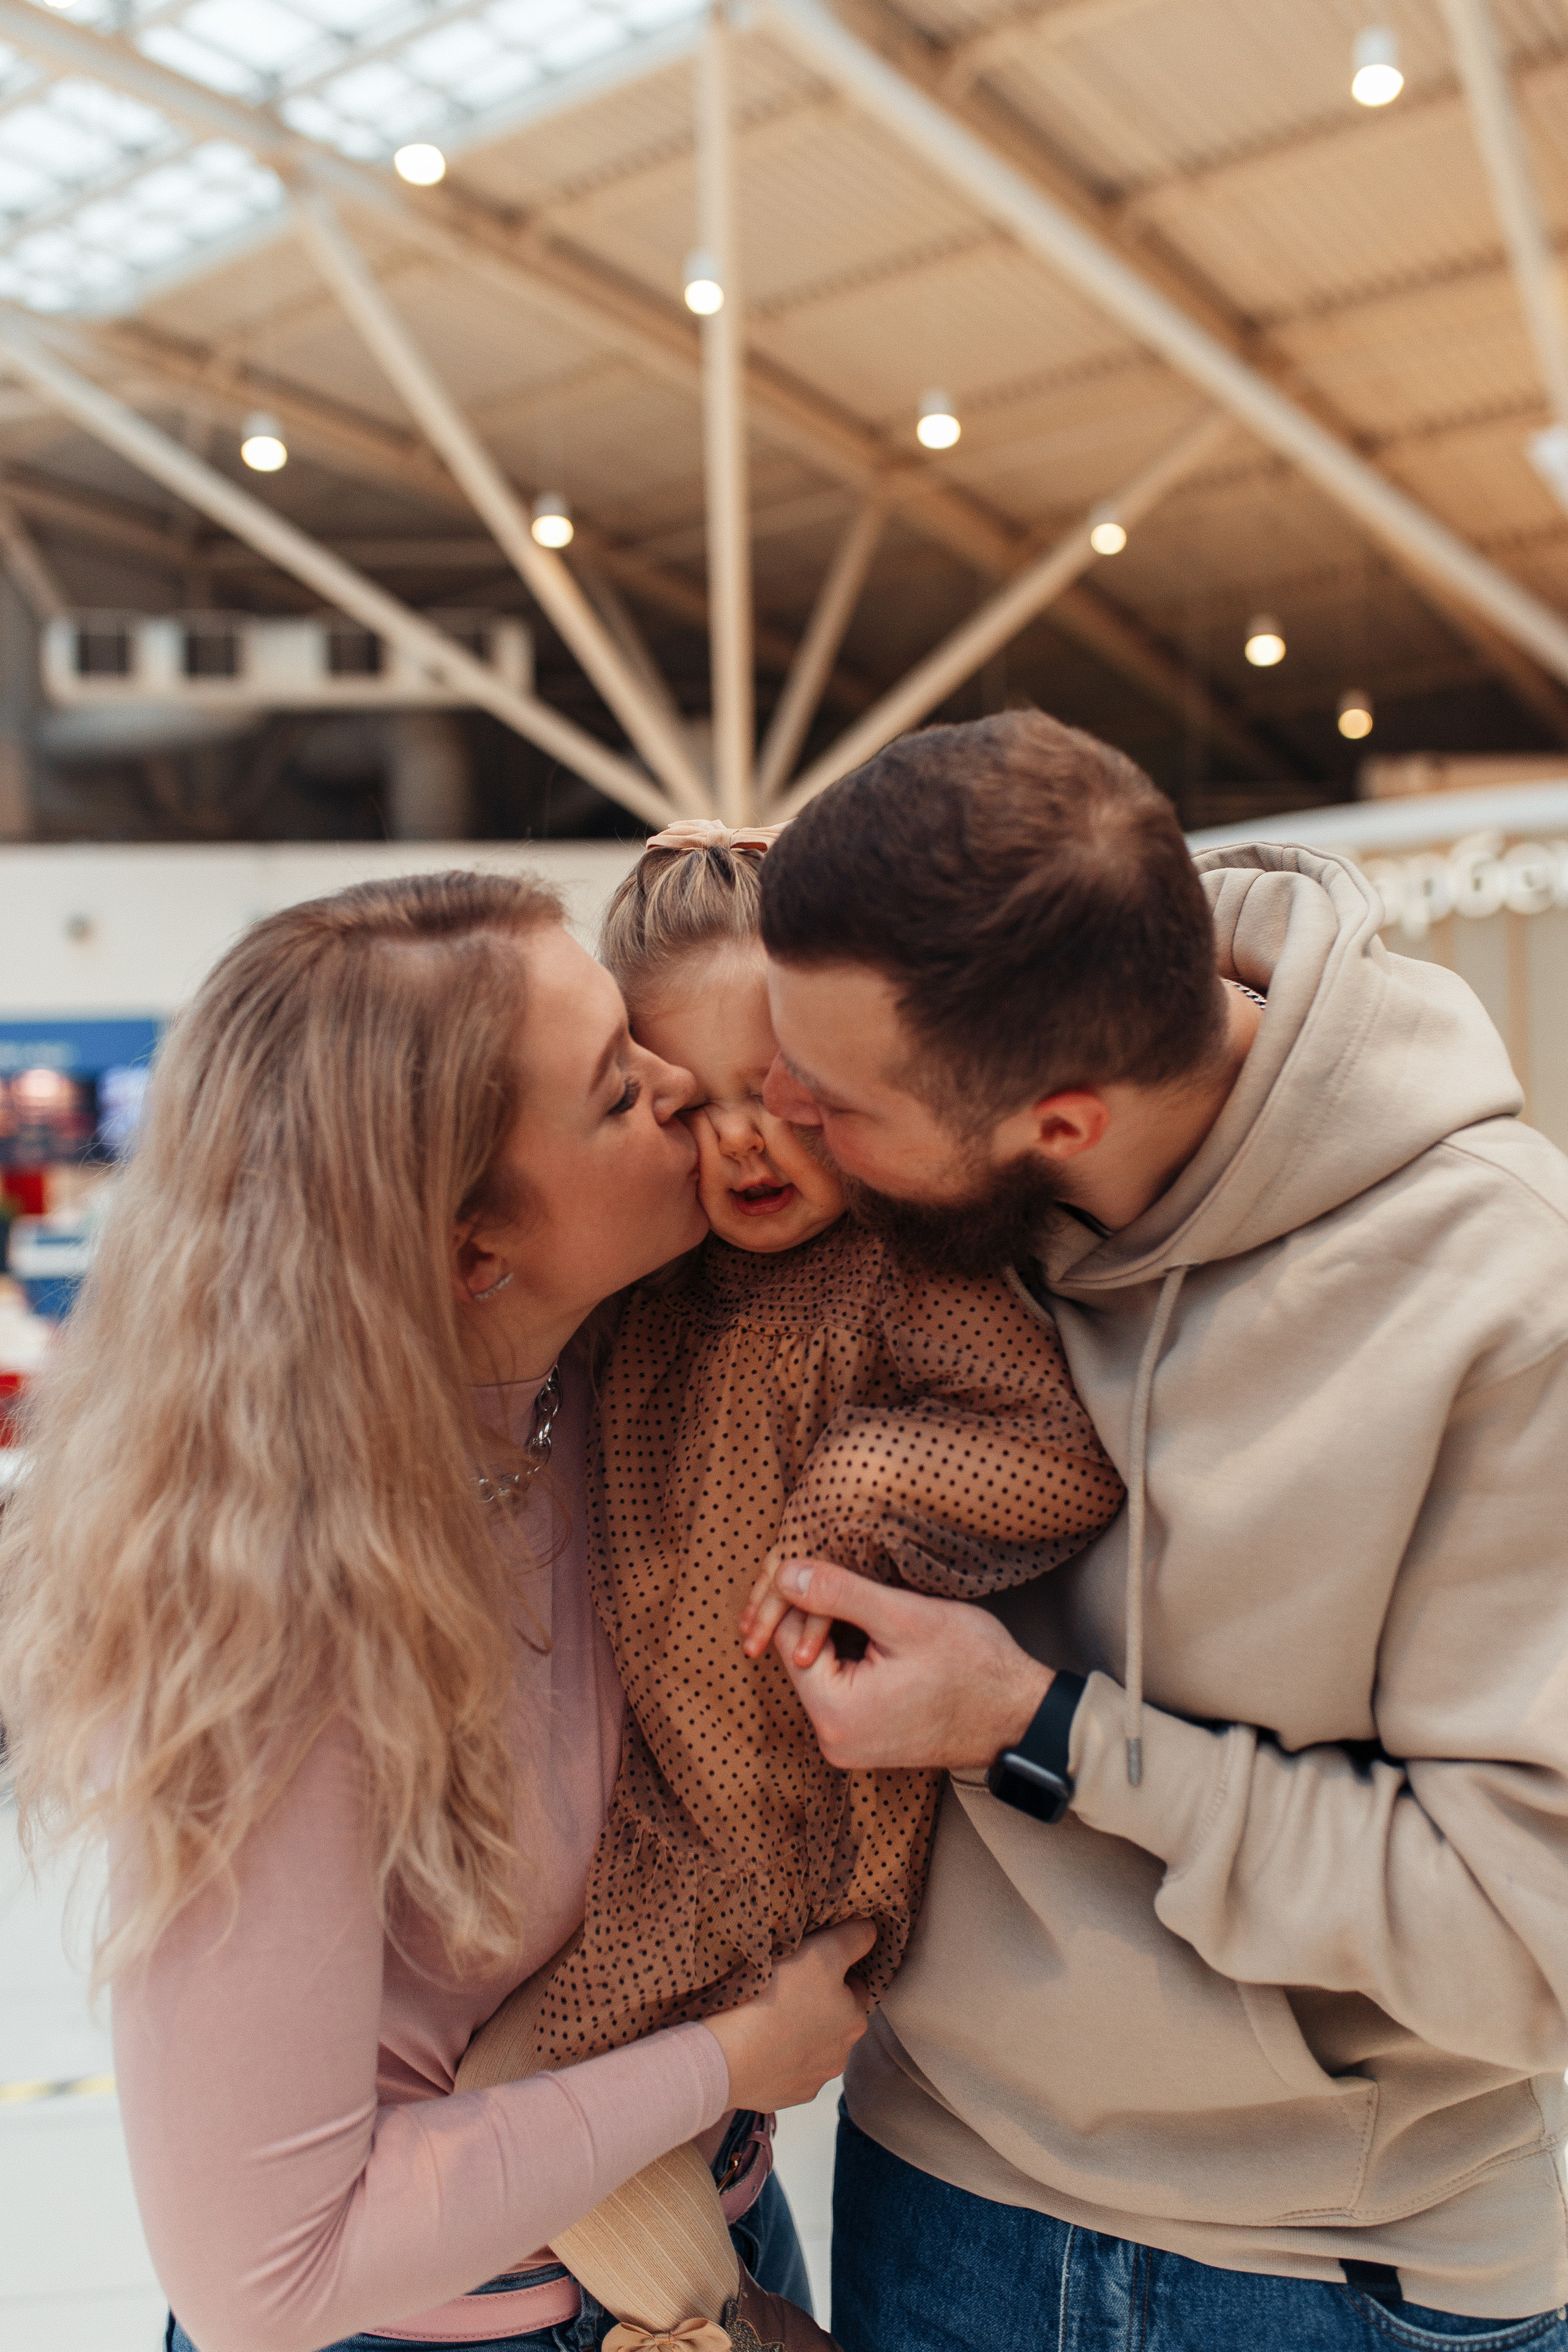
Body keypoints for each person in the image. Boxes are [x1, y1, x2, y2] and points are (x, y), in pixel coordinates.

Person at [745, 710, 1568, 2351]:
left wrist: (1036, 1730)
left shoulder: (1502, 1304)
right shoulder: (929, 1211)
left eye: (831, 1101)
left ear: (1057, 1121)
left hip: (1330, 2273)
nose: (774, 1114)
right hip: (935, 2191)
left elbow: (1522, 1941)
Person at [0, 871, 870, 2352]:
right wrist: (729, 2060)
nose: (680, 1087)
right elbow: (263, 2279)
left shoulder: (607, 1381)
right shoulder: (281, 1618)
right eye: (619, 1091)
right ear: (473, 1250)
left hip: (698, 2243)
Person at [542, 816, 1120, 2075]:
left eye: (778, 1087)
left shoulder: (899, 1268)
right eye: (692, 1104)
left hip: (786, 1852)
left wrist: (866, 1477)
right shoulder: (654, 1278)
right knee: (488, 2102)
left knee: (499, 2103)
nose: (743, 1138)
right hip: (636, 1824)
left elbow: (1065, 1458)